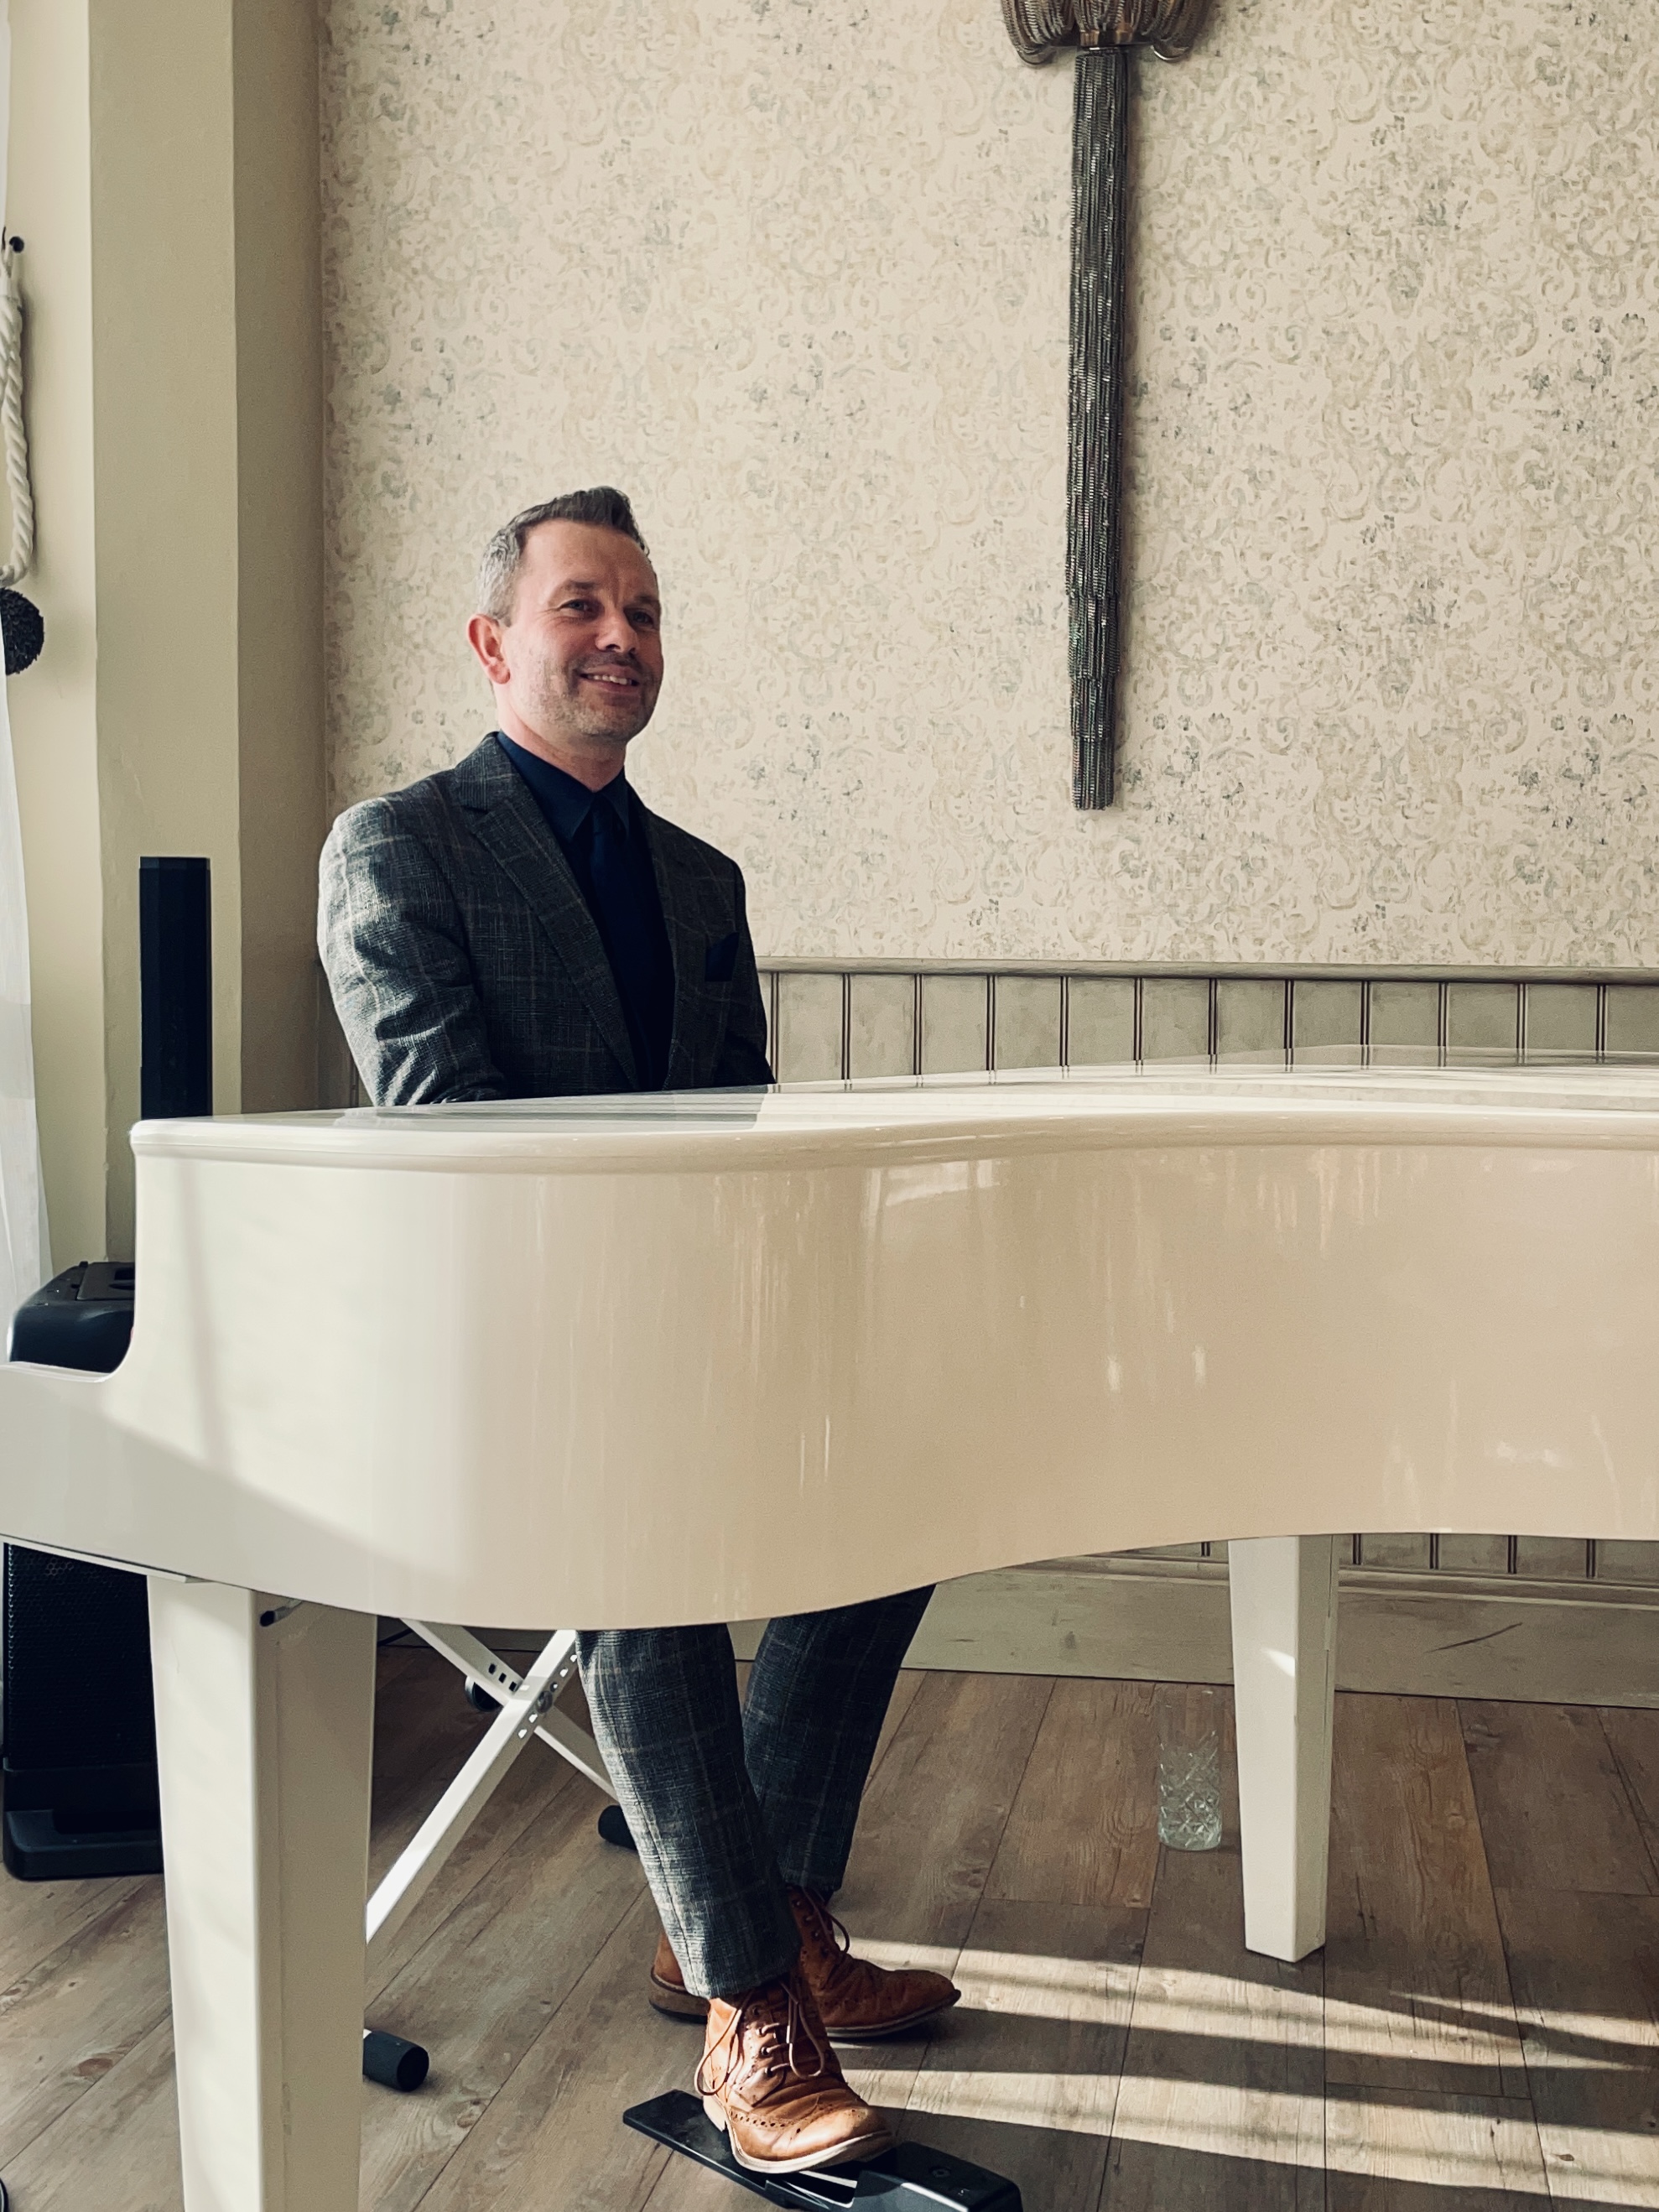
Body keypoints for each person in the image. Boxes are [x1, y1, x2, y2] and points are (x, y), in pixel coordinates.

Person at [319, 488, 958, 2177]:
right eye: (582, 605)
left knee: (911, 1485)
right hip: (503, 1365)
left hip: (692, 1338)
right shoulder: (396, 848)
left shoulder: (701, 879)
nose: (623, 638)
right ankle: (755, 2001)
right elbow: (449, 1130)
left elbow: (736, 1137)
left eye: (649, 611)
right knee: (640, 1518)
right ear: (492, 642)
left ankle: (760, 1912)